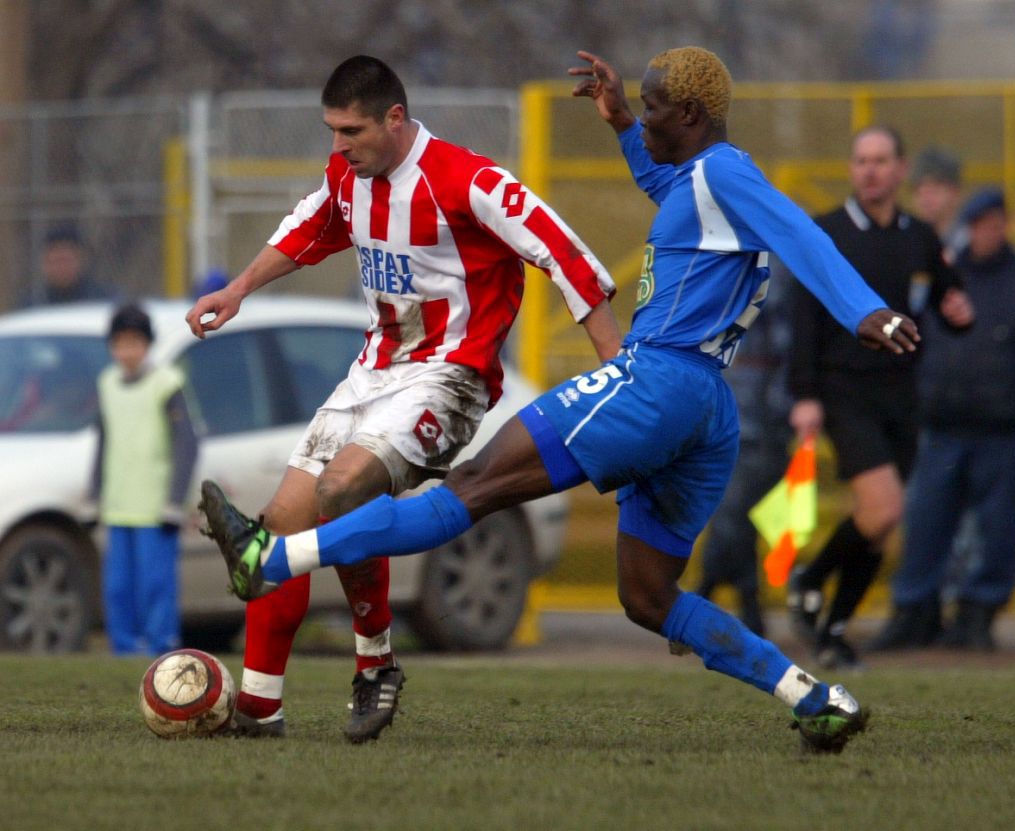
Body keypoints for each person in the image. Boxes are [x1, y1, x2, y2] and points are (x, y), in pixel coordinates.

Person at [199, 45, 924, 754]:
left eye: (653, 107)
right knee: (647, 597)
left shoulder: (727, 175)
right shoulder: (696, 182)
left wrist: (865, 310)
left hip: (655, 381)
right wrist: (616, 124)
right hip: (708, 408)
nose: (643, 118)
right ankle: (814, 697)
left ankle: (272, 559)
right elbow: (665, 184)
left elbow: (799, 232)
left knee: (474, 487)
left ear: (695, 114)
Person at [184, 55, 619, 742]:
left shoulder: (468, 180)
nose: (338, 146)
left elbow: (563, 253)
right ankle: (260, 709)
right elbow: (304, 230)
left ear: (394, 118)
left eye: (350, 130)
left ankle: (376, 663)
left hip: (450, 377)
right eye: (330, 130)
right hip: (372, 371)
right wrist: (237, 289)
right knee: (275, 533)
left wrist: (617, 371)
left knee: (342, 490)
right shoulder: (347, 176)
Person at [784, 125, 975, 670]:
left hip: (901, 395)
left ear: (899, 170)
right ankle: (813, 578)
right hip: (844, 389)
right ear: (852, 169)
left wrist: (961, 315)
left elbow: (947, 299)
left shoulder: (918, 236)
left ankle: (835, 628)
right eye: (861, 160)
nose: (870, 169)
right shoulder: (828, 232)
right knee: (885, 505)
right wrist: (805, 394)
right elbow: (804, 318)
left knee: (880, 521)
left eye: (880, 160)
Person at [870, 187, 1015, 652]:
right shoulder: (942, 275)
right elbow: (910, 335)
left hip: (1000, 431)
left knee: (998, 527)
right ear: (970, 226)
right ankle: (914, 611)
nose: (989, 232)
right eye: (982, 224)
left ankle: (977, 615)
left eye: (997, 223)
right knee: (925, 523)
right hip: (940, 428)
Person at [694, 266, 797, 636]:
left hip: (764, 422)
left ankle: (704, 596)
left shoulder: (778, 282)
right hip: (724, 415)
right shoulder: (717, 273)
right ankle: (747, 608)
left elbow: (792, 353)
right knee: (735, 515)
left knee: (733, 511)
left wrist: (782, 410)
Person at [90, 303, 198, 655]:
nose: (127, 351)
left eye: (135, 342)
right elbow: (104, 441)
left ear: (148, 344)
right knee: (118, 587)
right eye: (120, 343)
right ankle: (123, 650)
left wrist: (174, 500)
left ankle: (161, 648)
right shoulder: (107, 383)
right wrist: (95, 494)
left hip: (155, 508)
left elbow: (187, 444)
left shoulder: (166, 383)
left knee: (156, 585)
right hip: (120, 506)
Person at [20, 226, 120, 307]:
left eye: (65, 260)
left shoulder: (103, 302)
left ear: (81, 260)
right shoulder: (33, 306)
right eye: (54, 261)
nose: (60, 268)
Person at [909, 145, 967, 260]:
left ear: (955, 193)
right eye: (919, 191)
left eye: (934, 191)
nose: (925, 200)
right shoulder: (908, 243)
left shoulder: (971, 246)